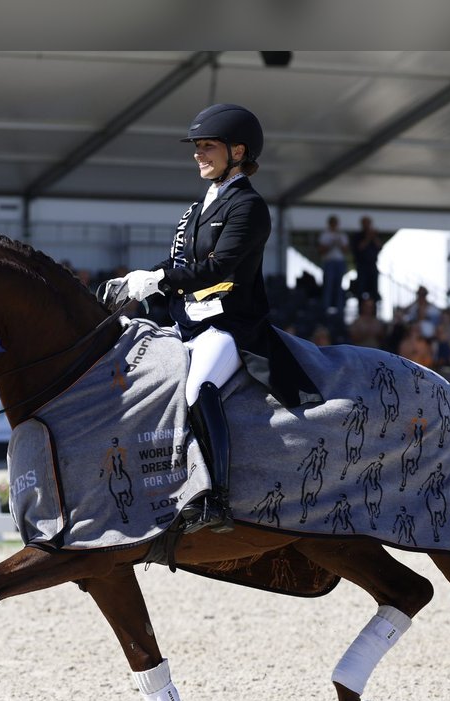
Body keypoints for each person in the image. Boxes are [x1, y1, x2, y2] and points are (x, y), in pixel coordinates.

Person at [109, 103, 322, 533]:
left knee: (196, 389)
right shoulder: (197, 208)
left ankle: (215, 499)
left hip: (229, 326)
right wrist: (138, 278)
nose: (198, 154)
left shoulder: (249, 207)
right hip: (188, 322)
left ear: (237, 152)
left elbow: (217, 268)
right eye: (197, 147)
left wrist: (160, 281)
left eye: (208, 146)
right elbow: (179, 262)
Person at [317, 214, 350, 312]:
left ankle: (340, 310)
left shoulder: (342, 235)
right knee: (328, 286)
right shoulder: (325, 235)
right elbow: (321, 250)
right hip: (329, 262)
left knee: (339, 287)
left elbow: (346, 250)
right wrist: (331, 244)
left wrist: (339, 243)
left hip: (340, 262)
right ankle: (325, 309)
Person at [350, 216, 382, 300]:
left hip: (372, 265)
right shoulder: (358, 236)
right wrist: (368, 237)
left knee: (374, 289)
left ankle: (373, 305)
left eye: (368, 223)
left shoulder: (375, 236)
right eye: (365, 223)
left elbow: (379, 246)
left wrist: (373, 237)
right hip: (361, 265)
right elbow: (359, 248)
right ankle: (361, 306)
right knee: (361, 288)